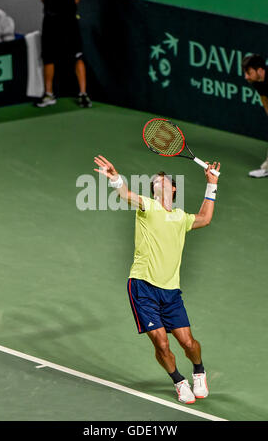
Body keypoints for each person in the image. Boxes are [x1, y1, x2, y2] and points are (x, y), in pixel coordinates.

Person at [94, 154, 220, 404]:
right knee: (162, 344)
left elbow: (205, 218)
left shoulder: (181, 218)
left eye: (162, 180)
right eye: (154, 182)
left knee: (188, 342)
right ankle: (178, 380)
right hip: (142, 287)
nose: (157, 183)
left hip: (171, 292)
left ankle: (198, 371)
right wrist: (116, 179)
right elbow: (126, 195)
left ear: (173, 188)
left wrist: (212, 184)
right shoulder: (147, 206)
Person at [35, 0, 92, 108]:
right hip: (50, 21)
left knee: (77, 56)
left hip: (69, 21)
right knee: (49, 57)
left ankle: (83, 94)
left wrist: (65, 10)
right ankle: (49, 94)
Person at [242, 53, 268, 178]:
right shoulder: (257, 80)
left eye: (248, 72)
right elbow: (265, 98)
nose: (246, 76)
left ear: (259, 70)